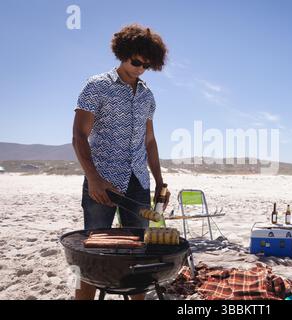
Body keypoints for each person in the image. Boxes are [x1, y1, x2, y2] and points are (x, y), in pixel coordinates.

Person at [72, 24, 170, 300]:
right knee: (93, 250)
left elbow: (149, 142)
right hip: (102, 182)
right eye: (136, 61)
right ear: (123, 53)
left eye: (146, 64)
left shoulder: (148, 96)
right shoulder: (97, 86)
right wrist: (93, 178)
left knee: (139, 251)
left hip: (139, 181)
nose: (140, 68)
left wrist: (160, 181)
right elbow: (79, 135)